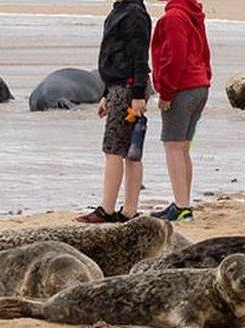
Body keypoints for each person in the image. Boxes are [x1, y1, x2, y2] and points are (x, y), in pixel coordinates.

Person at [77, 0, 152, 223]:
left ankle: (107, 209)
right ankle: (128, 211)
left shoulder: (134, 13)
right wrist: (105, 93)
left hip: (129, 87)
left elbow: (140, 57)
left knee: (114, 149)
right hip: (119, 87)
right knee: (129, 150)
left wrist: (138, 95)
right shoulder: (119, 11)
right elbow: (111, 56)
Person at [150, 0, 211, 222]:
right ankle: (182, 202)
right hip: (199, 85)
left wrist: (166, 92)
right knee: (183, 148)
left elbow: (175, 57)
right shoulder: (193, 14)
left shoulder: (174, 17)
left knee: (173, 146)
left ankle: (182, 205)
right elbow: (205, 52)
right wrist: (206, 78)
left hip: (183, 87)